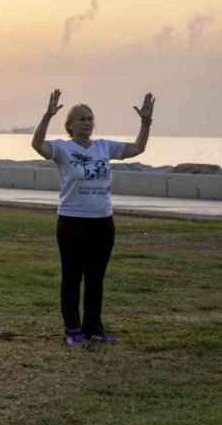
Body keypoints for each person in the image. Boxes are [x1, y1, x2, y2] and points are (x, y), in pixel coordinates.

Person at [31, 89, 155, 348]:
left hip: (102, 221)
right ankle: (72, 330)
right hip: (72, 220)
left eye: (89, 118)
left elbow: (138, 148)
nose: (86, 122)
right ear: (70, 125)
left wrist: (146, 121)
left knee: (96, 277)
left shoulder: (103, 147)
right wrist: (47, 115)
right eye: (81, 119)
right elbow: (38, 146)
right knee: (72, 277)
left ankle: (94, 329)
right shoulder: (63, 149)